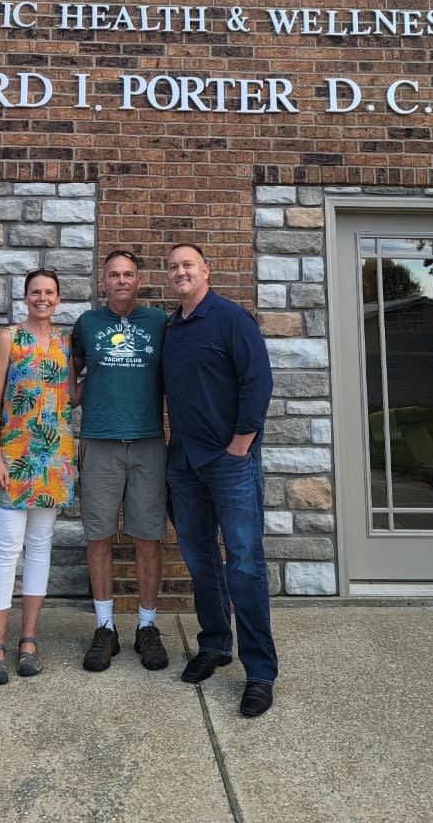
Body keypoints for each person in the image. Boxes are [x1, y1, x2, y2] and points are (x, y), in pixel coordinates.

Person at [162, 243, 278, 718]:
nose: (180, 272)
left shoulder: (231, 318)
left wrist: (241, 443)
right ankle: (214, 644)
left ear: (206, 271)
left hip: (230, 462)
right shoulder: (172, 328)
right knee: (201, 559)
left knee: (245, 563)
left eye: (188, 264)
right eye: (173, 267)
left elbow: (259, 381)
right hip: (184, 463)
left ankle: (260, 673)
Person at [71, 250, 169, 672]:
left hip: (149, 441)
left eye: (129, 274)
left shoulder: (161, 323)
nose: (122, 281)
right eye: (114, 275)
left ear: (139, 279)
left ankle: (147, 627)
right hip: (99, 440)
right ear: (103, 282)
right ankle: (105, 627)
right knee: (99, 536)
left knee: (149, 536)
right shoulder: (86, 325)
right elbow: (69, 381)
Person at [0, 267, 75, 685]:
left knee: (40, 548)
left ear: (58, 299)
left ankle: (29, 641)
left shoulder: (64, 343)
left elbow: (69, 396)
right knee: (7, 550)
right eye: (36, 291)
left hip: (53, 459)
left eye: (49, 292)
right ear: (25, 297)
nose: (43, 298)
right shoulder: (9, 339)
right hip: (15, 457)